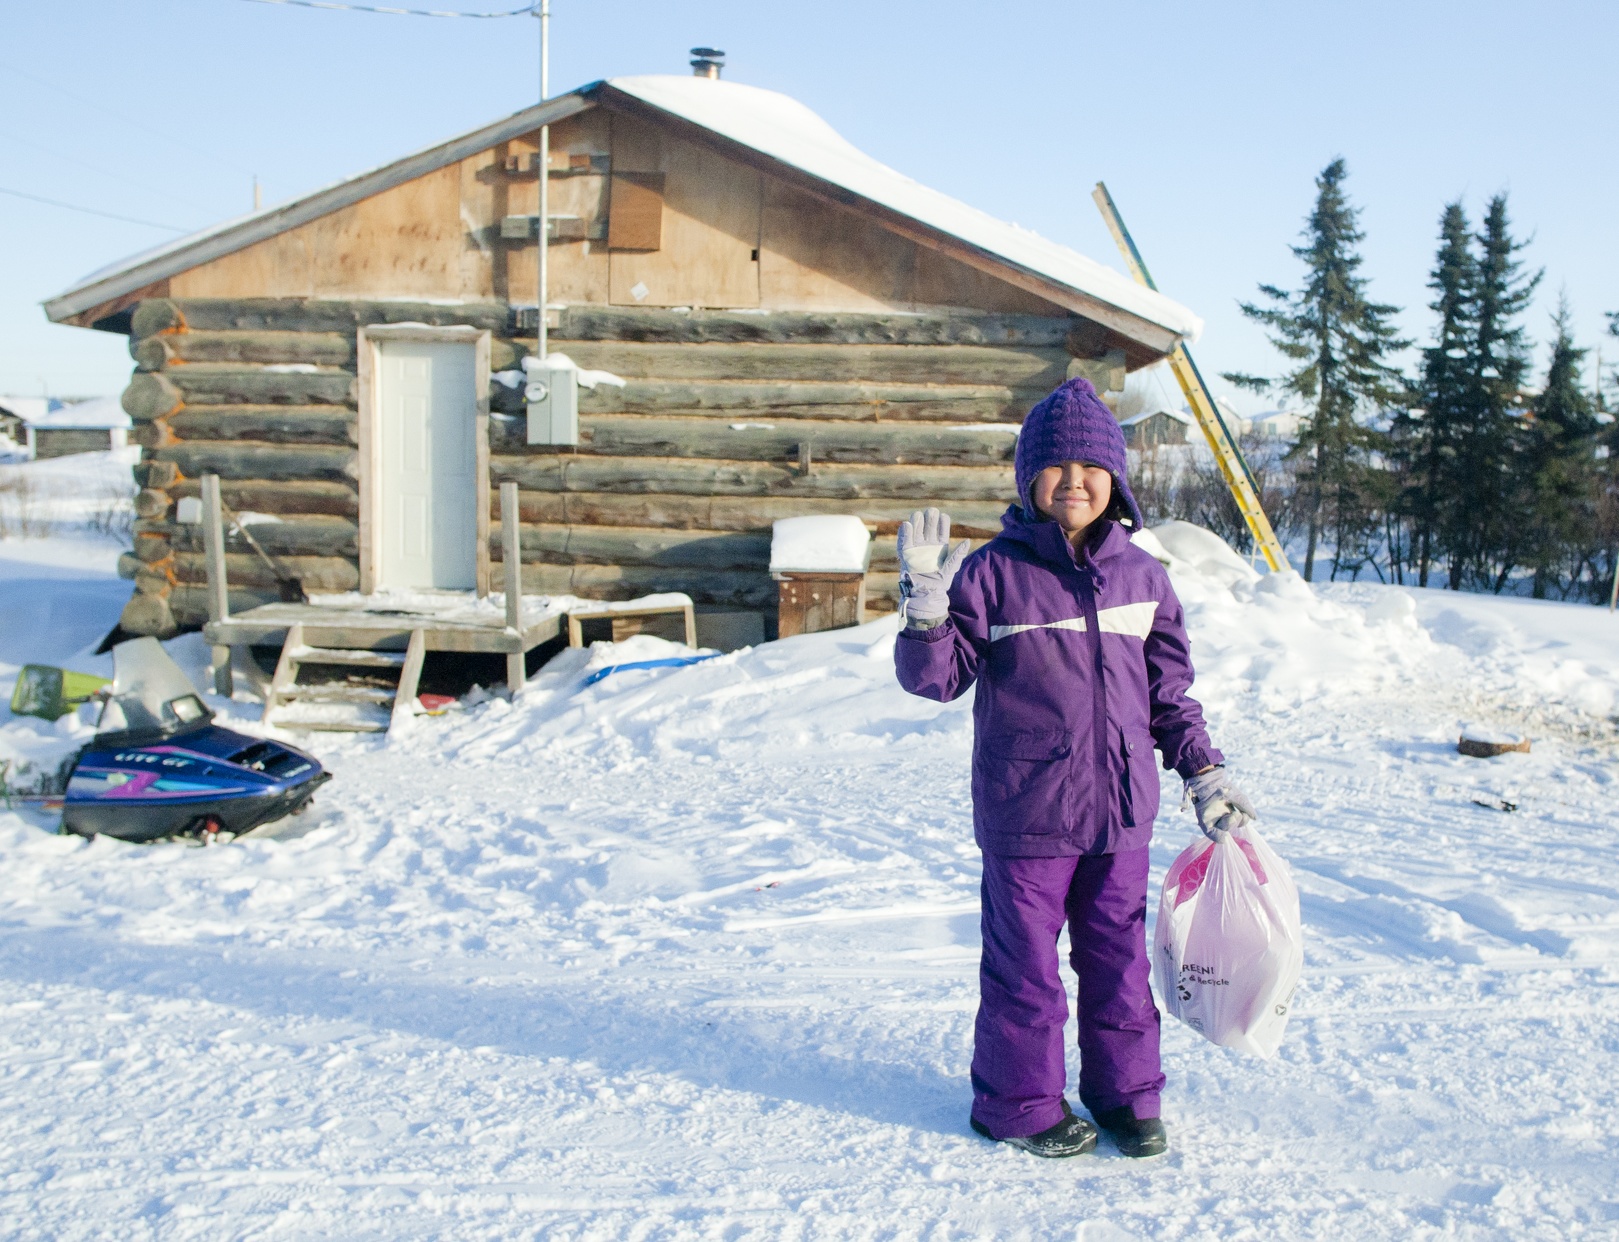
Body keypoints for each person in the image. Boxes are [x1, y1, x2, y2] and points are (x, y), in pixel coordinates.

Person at [893, 376, 1254, 1160]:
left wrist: (1204, 773)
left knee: (1119, 965)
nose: (1074, 482)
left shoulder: (1143, 576)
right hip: (1027, 809)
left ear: (1114, 479)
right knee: (1025, 971)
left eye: (1090, 467)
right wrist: (926, 608)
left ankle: (1125, 1096)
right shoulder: (991, 573)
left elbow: (1169, 696)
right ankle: (1015, 1104)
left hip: (1120, 812)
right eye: (1055, 467)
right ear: (1030, 480)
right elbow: (936, 680)